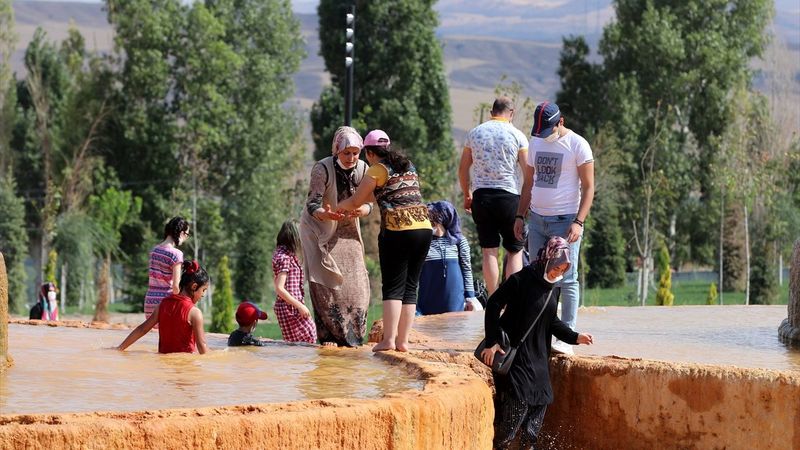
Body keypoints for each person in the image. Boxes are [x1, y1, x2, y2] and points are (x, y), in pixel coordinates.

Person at [481, 236, 593, 449]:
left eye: (563, 269)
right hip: (516, 355)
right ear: (548, 258)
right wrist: (492, 341)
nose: (558, 273)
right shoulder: (521, 280)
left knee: (541, 403)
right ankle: (501, 445)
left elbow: (552, 321)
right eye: (556, 267)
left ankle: (528, 446)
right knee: (518, 406)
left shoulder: (553, 288)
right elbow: (494, 303)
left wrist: (575, 337)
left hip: (539, 358)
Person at [337, 129, 432, 352]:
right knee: (410, 287)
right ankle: (403, 342)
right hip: (423, 228)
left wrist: (335, 208)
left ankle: (388, 340)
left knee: (393, 287)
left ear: (369, 153)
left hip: (398, 230)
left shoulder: (376, 170)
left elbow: (356, 201)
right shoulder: (407, 165)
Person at [514, 102, 595, 355]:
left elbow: (589, 187)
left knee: (567, 279)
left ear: (561, 122)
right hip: (537, 220)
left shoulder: (578, 145)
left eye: (548, 129)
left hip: (566, 221)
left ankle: (567, 338)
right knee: (539, 276)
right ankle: (540, 331)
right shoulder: (536, 142)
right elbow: (529, 182)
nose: (544, 135)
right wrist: (519, 215)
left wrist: (578, 222)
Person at [299, 126, 372, 347]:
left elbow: (369, 202)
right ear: (336, 151)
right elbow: (312, 204)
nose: (351, 158)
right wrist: (325, 213)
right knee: (325, 284)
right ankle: (329, 337)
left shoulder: (363, 169)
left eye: (355, 152)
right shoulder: (322, 169)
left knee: (358, 285)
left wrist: (362, 211)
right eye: (346, 153)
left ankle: (354, 337)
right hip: (319, 231)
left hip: (349, 231)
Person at [459, 97, 532, 295]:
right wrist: (526, 204)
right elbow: (528, 174)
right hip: (509, 197)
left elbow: (463, 168)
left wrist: (468, 194)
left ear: (492, 112)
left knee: (489, 251)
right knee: (515, 251)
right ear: (511, 113)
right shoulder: (517, 135)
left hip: (482, 197)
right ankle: (512, 299)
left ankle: (493, 300)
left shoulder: (475, 133)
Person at [118, 260, 210, 354]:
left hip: (163, 365)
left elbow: (142, 329)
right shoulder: (195, 313)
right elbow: (202, 346)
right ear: (194, 286)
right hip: (185, 365)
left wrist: (120, 348)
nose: (203, 295)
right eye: (203, 290)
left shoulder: (162, 305)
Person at [416, 200, 478, 315]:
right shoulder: (421, 243)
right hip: (427, 304)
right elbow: (414, 275)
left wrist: (470, 297)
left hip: (455, 304)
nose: (427, 221)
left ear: (442, 219)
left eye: (431, 218)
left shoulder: (459, 242)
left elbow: (466, 269)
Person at [273, 220, 317, 344]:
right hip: (290, 308)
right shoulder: (284, 258)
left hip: (289, 306)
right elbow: (279, 288)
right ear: (293, 237)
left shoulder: (281, 254)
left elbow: (275, 280)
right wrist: (300, 306)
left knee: (297, 344)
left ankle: (295, 364)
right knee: (308, 337)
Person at [144, 217, 190, 322]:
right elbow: (175, 286)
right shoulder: (176, 254)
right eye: (187, 234)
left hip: (150, 301)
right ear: (181, 233)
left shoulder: (154, 250)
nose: (186, 238)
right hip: (165, 303)